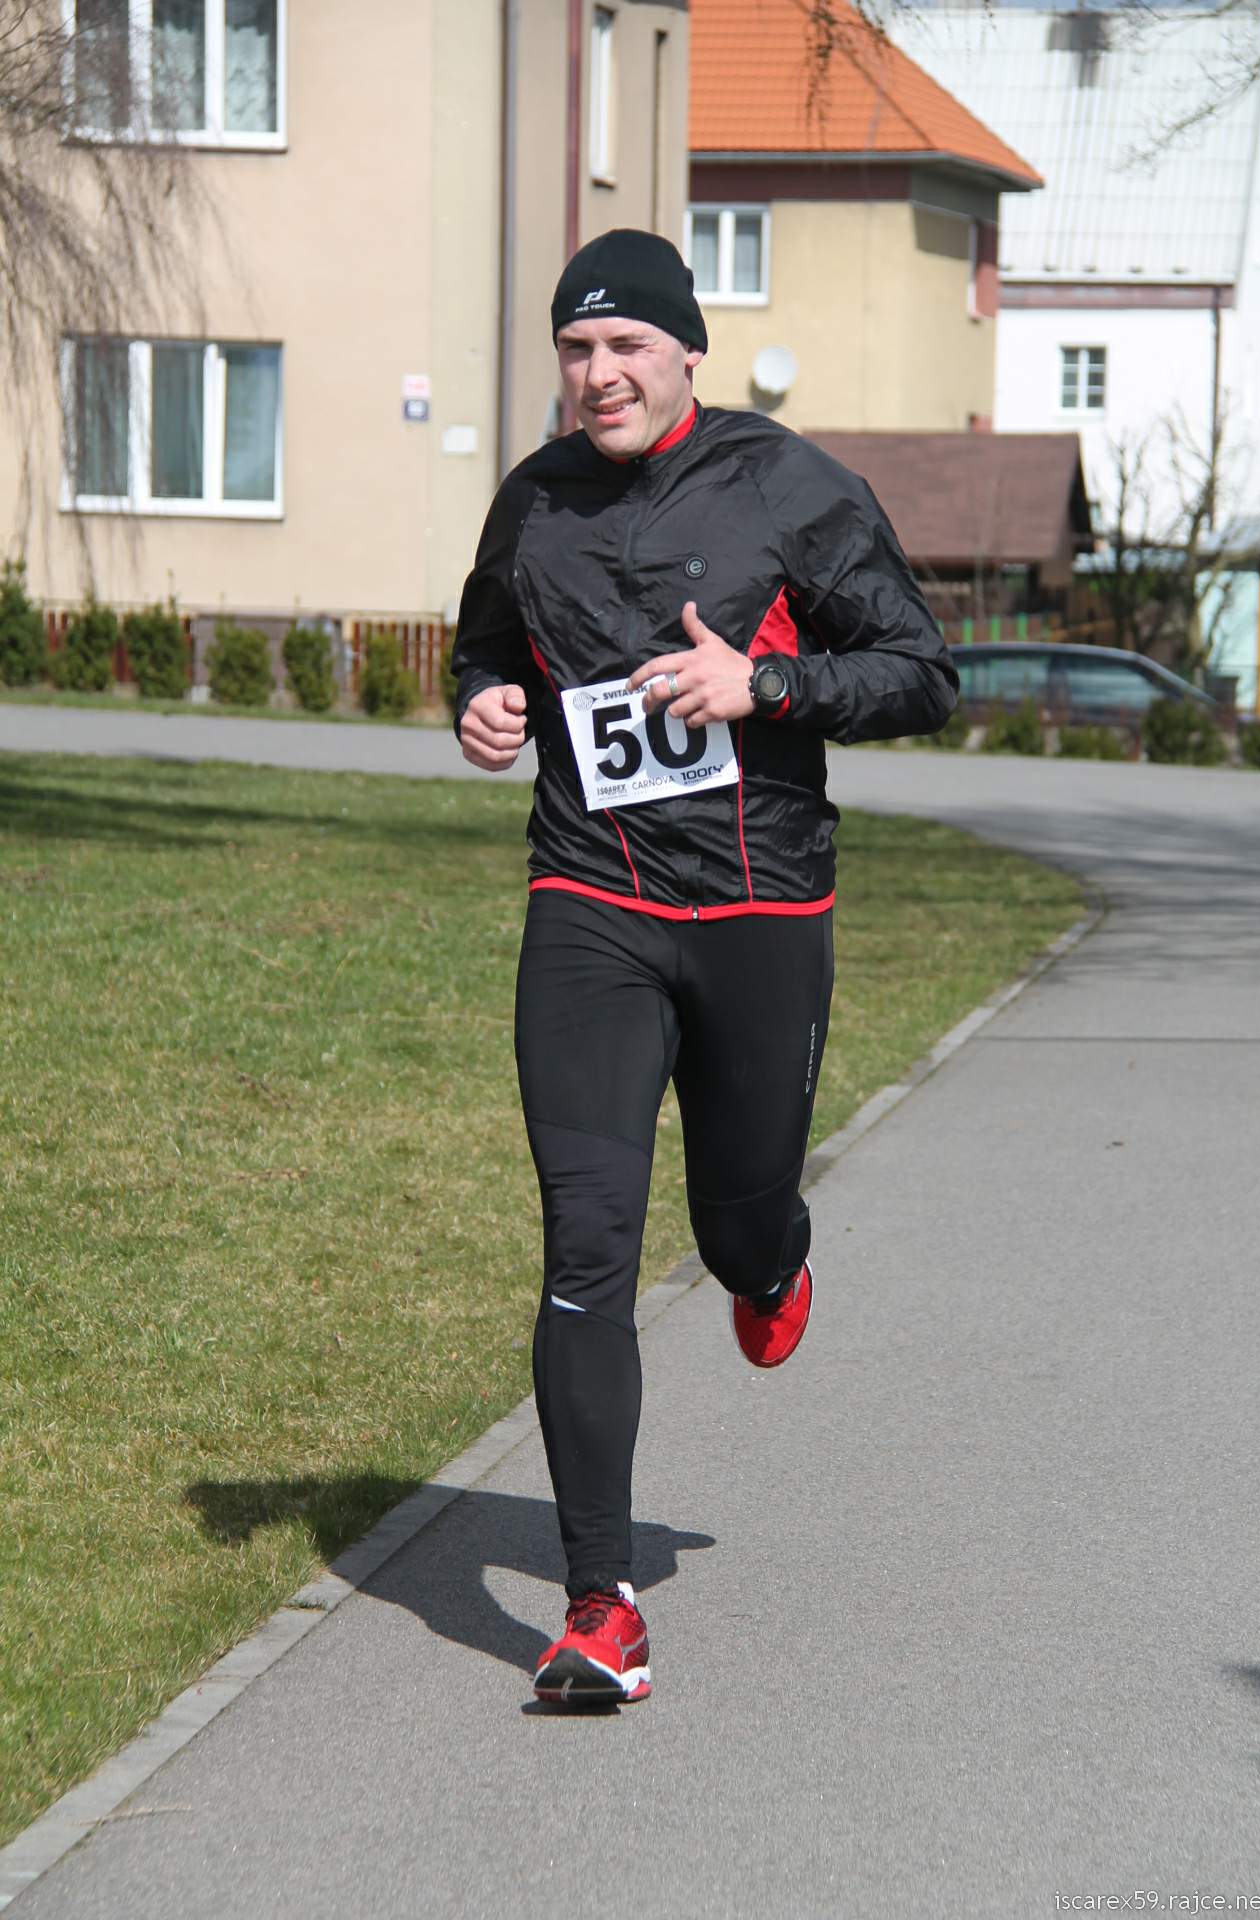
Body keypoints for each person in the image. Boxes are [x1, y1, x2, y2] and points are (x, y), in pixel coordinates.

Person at [452, 229, 957, 1705]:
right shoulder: (533, 499)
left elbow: (923, 673)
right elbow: (488, 648)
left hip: (758, 906)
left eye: (626, 346)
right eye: (576, 348)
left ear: (686, 351)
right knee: (587, 1242)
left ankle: (769, 1257)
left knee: (736, 1222)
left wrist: (767, 684)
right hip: (590, 900)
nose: (598, 373)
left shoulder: (789, 486)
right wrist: (484, 704)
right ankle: (599, 1606)